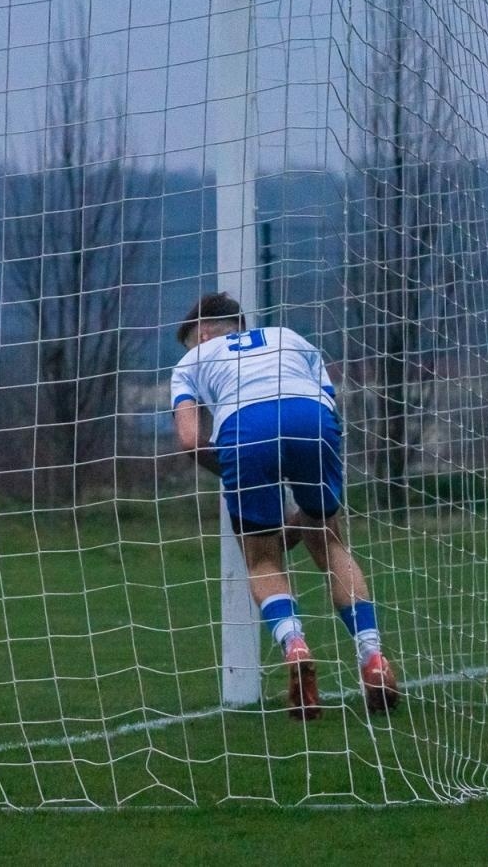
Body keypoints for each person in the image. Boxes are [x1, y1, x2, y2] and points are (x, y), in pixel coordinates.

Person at [169, 292, 400, 719]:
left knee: (261, 559)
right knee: (331, 544)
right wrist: (310, 515)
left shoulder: (191, 362)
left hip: (245, 429)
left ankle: (295, 645)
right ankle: (372, 657)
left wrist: (235, 471)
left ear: (201, 333)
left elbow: (189, 440)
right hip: (311, 421)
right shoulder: (289, 337)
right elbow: (328, 406)